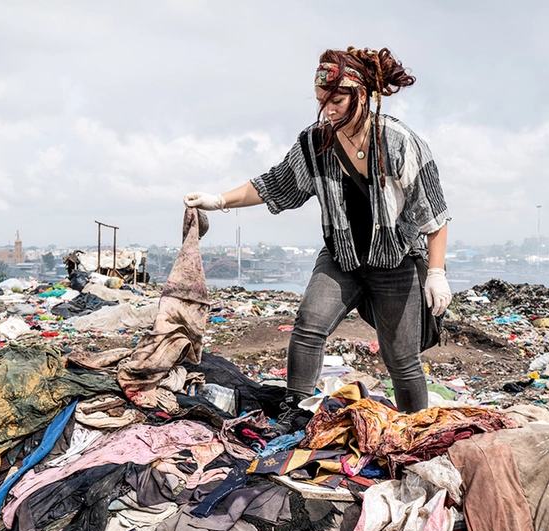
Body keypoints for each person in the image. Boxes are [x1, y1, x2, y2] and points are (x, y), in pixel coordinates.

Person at [185, 47, 451, 418]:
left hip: (395, 261)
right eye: (322, 101)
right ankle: (295, 413)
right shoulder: (315, 143)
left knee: (402, 359)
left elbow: (434, 214)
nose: (329, 109)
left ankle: (414, 428)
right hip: (341, 257)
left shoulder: (398, 141)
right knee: (309, 326)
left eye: (337, 100)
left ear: (363, 94)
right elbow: (275, 183)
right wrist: (218, 200)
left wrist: (436, 274)